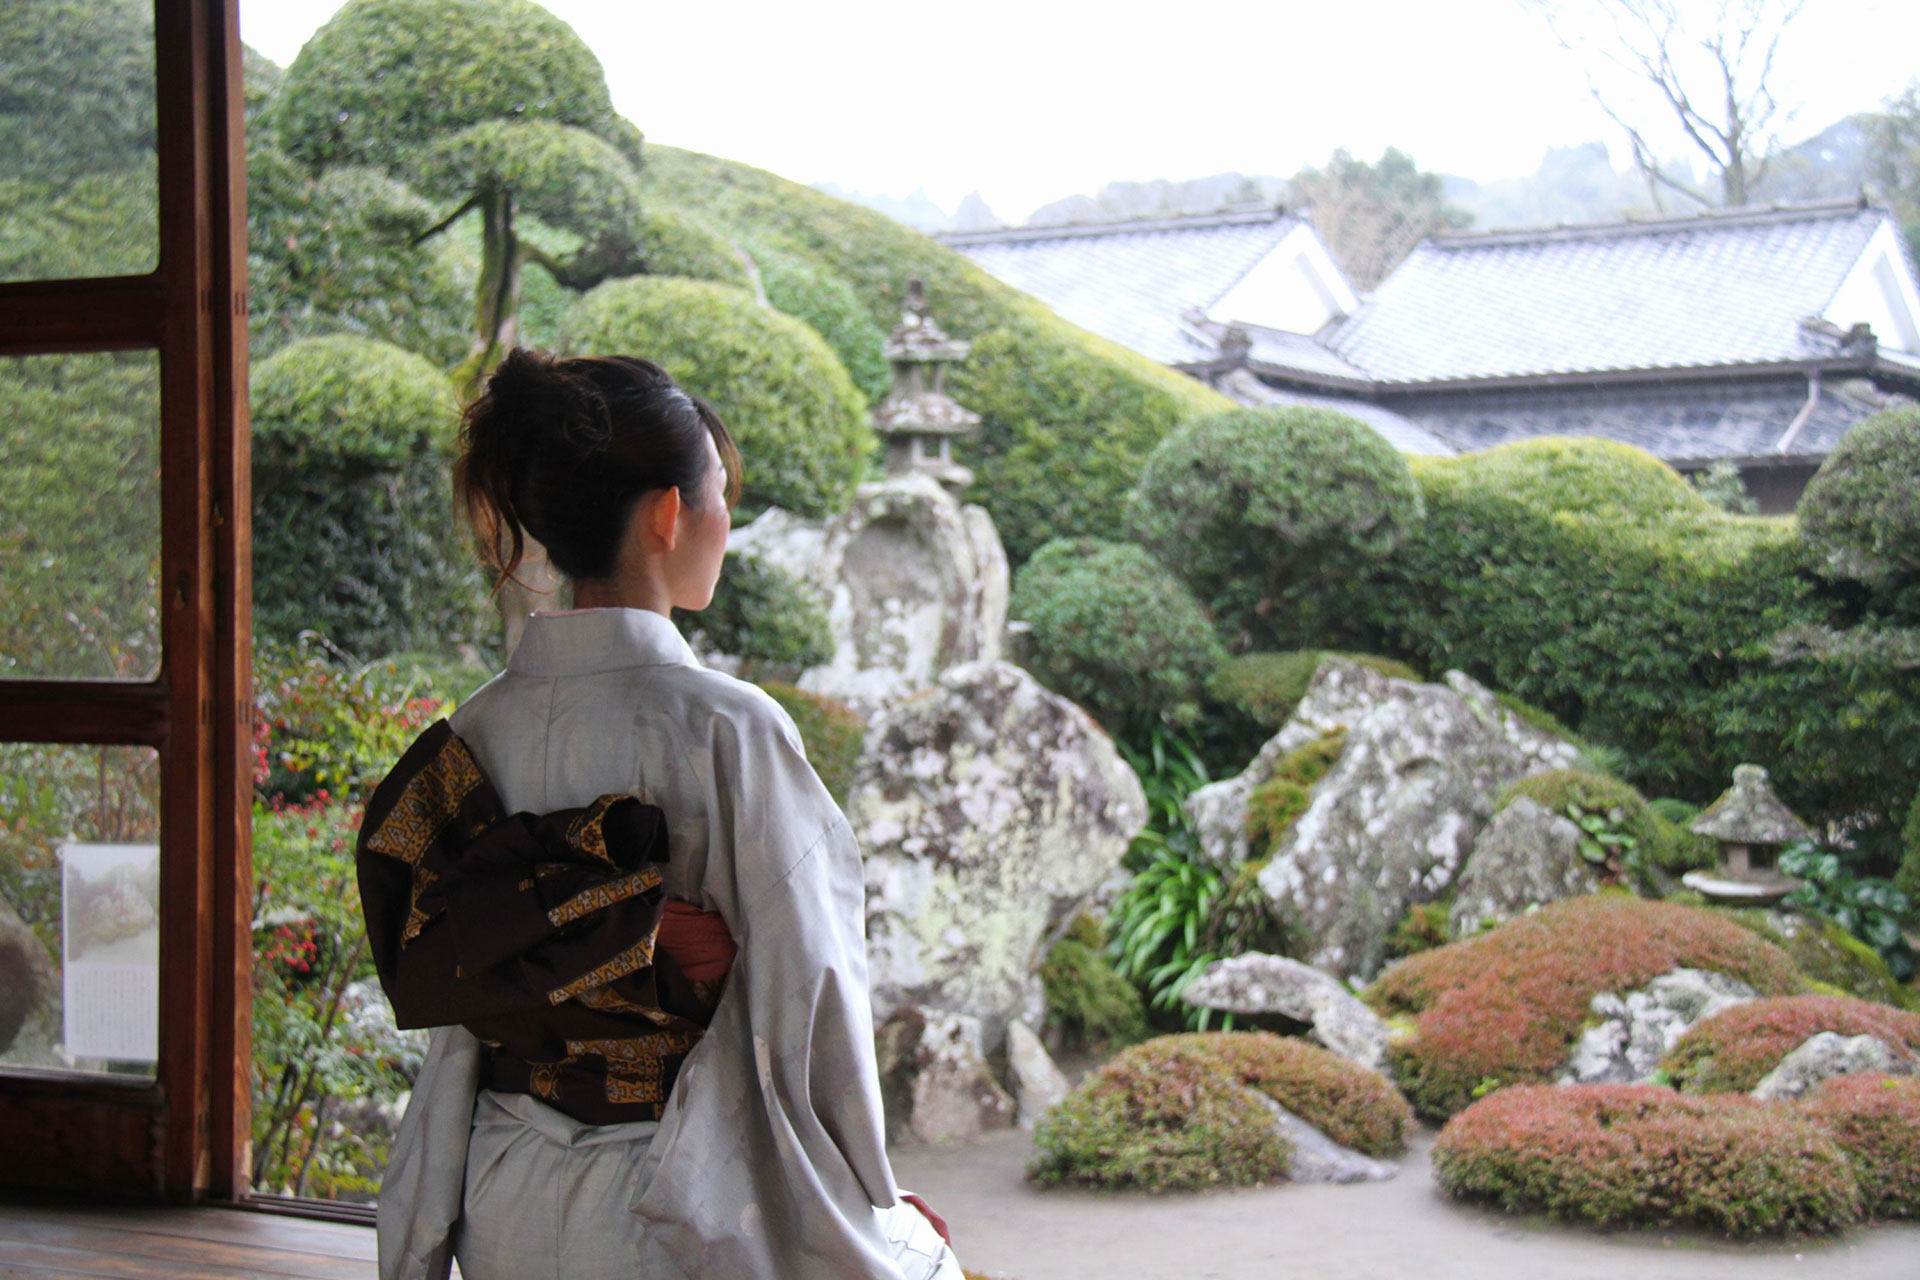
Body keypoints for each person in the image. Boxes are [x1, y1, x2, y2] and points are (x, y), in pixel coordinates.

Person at [362, 350, 960, 1280]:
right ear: (668, 514)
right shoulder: (730, 727)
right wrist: (860, 1187)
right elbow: (811, 993)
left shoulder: (476, 728)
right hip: (684, 1198)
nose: (726, 519)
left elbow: (466, 959)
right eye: (721, 493)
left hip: (498, 1183)